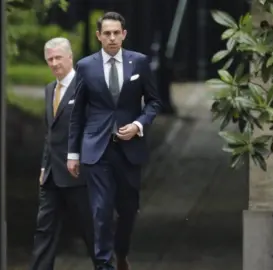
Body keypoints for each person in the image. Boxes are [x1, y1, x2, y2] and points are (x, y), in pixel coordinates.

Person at [67, 12, 162, 270]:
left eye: (116, 33)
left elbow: (154, 102)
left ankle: (121, 253)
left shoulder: (139, 63)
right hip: (96, 148)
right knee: (101, 208)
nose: (111, 38)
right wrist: (73, 154)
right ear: (99, 36)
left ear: (124, 34)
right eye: (106, 33)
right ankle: (103, 264)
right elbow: (77, 112)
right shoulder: (86, 66)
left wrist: (138, 125)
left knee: (128, 208)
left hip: (129, 148)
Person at [30, 37, 95, 270]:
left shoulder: (86, 87)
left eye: (59, 57)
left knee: (91, 231)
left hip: (79, 175)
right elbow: (51, 133)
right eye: (50, 59)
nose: (55, 63)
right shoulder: (50, 90)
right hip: (51, 175)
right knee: (44, 230)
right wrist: (42, 166)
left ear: (70, 57)